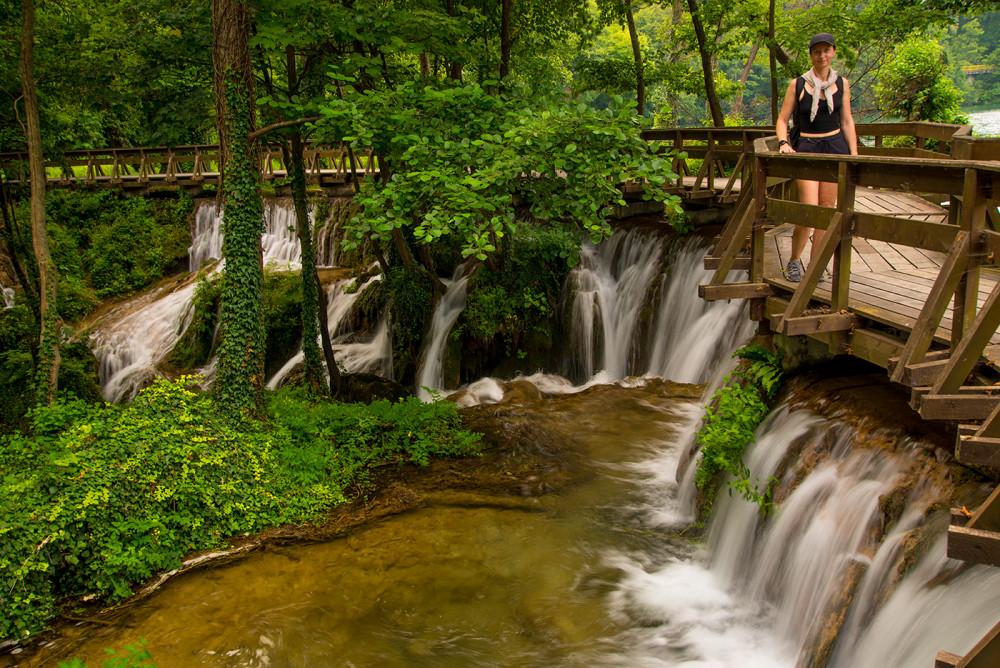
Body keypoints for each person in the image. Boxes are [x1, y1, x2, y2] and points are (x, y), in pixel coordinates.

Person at [775, 32, 859, 282]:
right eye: (817, 51)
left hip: (835, 147)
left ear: (833, 52)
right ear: (811, 55)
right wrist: (783, 143)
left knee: (826, 210)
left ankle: (817, 264)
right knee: (809, 211)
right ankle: (793, 261)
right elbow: (782, 120)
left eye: (826, 50)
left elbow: (846, 120)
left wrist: (854, 154)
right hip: (808, 147)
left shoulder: (842, 84)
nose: (822, 55)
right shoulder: (799, 84)